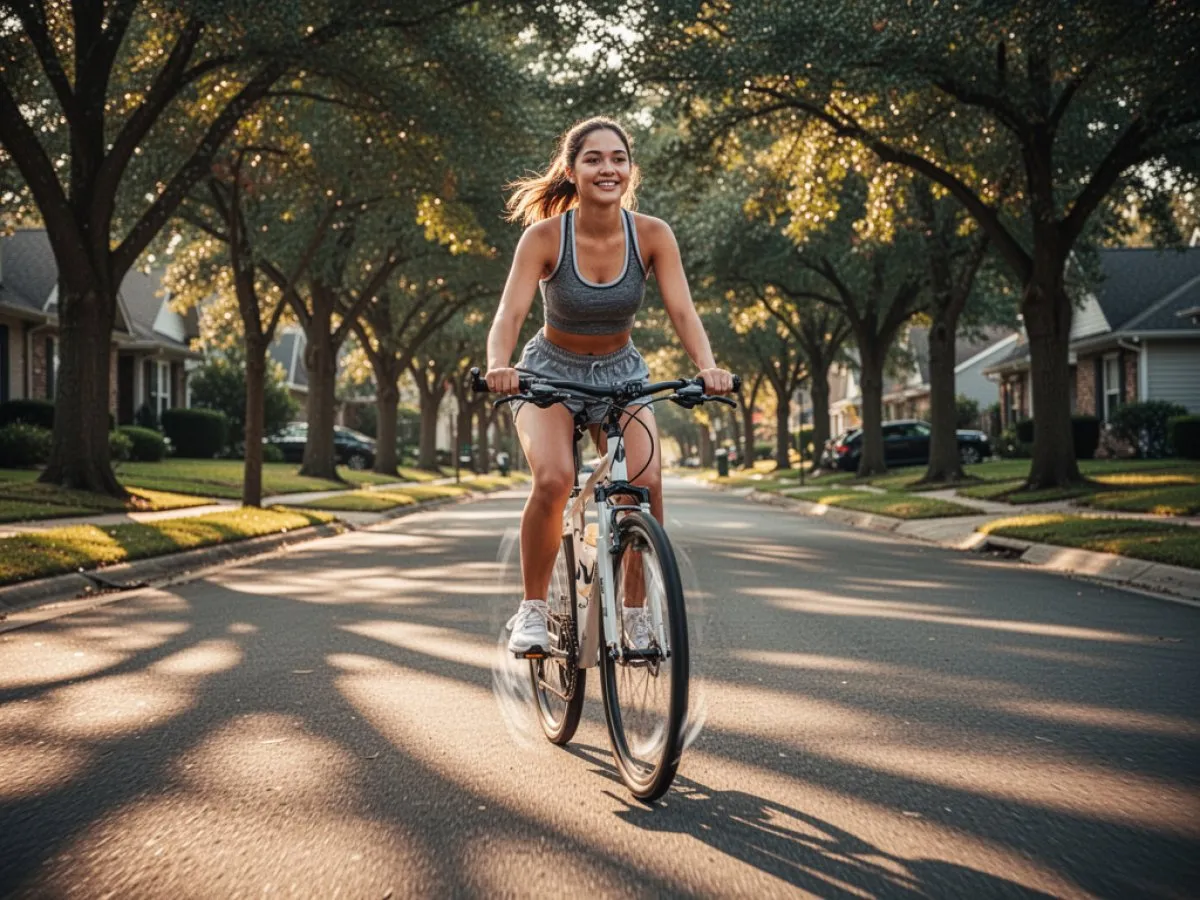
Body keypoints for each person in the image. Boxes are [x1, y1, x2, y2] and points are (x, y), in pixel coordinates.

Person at [484, 116, 734, 656]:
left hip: (622, 374)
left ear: (630, 169)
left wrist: (709, 367)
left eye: (618, 158)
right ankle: (532, 610)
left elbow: (683, 312)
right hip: (549, 373)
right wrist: (498, 365)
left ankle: (636, 613)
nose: (608, 168)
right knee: (554, 478)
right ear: (572, 170)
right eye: (594, 159)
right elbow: (510, 313)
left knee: (644, 482)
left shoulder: (652, 235)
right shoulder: (545, 237)